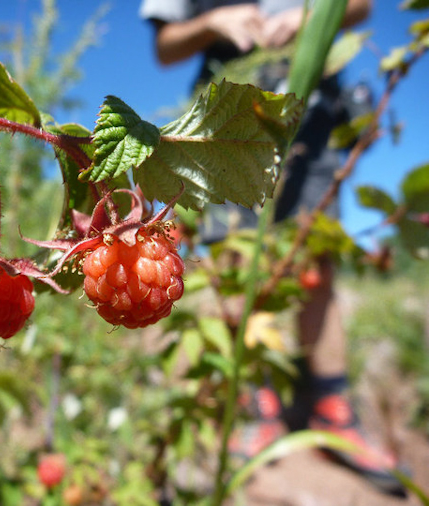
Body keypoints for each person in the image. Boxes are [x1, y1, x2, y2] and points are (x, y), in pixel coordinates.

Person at [139, 0, 407, 496]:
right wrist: (212, 23)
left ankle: (330, 404)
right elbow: (165, 46)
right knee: (232, 255)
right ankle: (251, 401)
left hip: (312, 98)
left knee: (314, 254)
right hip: (228, 106)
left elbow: (362, 6)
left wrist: (307, 19)